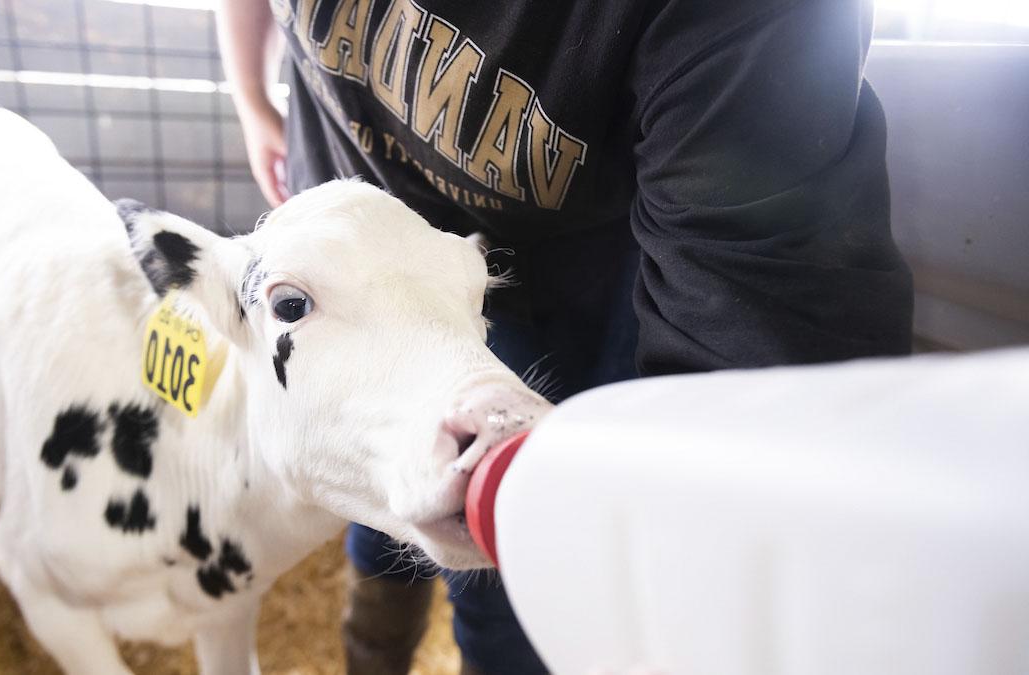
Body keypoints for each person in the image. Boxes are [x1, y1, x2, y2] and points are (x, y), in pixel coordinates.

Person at [216, 1, 913, 673]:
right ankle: (373, 653)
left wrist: (709, 593)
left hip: (528, 290)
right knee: (383, 491)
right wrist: (250, 95)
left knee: (504, 562)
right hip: (336, 255)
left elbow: (766, 324)